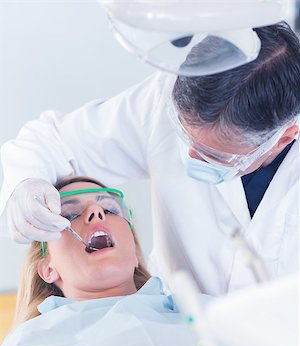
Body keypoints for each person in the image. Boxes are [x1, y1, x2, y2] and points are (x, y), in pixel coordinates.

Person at [0, 22, 299, 296]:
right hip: (181, 320)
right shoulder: (159, 100)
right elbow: (51, 141)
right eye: (184, 134)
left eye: (214, 155)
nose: (190, 156)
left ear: (285, 136)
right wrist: (25, 183)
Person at [0, 176, 215, 346]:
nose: (96, 212)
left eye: (111, 209)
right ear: (47, 269)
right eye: (70, 214)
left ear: (136, 254)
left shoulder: (208, 314)